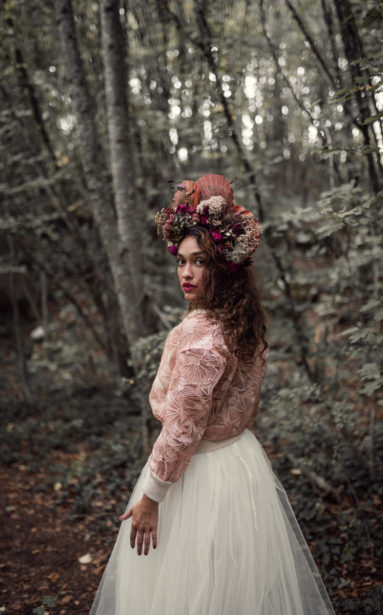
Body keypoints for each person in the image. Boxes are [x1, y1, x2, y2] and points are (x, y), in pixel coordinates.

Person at [90, 174, 335, 615]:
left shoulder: (201, 336)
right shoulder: (242, 321)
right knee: (230, 592)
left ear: (223, 265)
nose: (186, 272)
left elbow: (183, 430)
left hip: (200, 476)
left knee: (191, 594)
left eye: (199, 261)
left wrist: (151, 498)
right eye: (181, 261)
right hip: (240, 464)